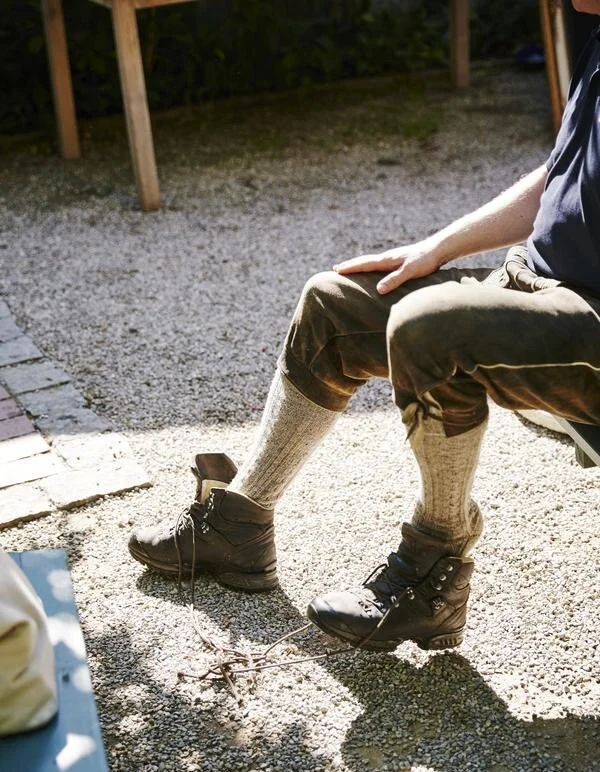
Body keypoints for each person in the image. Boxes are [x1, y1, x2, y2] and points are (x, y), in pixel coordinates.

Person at [129, 1, 600, 652]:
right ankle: (238, 525)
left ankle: (434, 565)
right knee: (335, 303)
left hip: (588, 323)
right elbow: (564, 171)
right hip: (531, 284)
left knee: (428, 325)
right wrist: (438, 246)